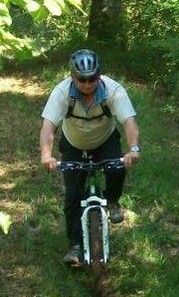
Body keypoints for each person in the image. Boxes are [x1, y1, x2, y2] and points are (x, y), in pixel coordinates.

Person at [40, 49, 141, 266]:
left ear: (99, 75)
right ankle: (75, 246)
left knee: (117, 168)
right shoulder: (61, 93)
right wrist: (46, 155)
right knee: (73, 196)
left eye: (92, 79)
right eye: (82, 79)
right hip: (73, 144)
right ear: (72, 77)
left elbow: (129, 122)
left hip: (105, 140)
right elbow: (48, 126)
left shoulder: (113, 90)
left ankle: (112, 201)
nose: (87, 84)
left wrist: (133, 148)